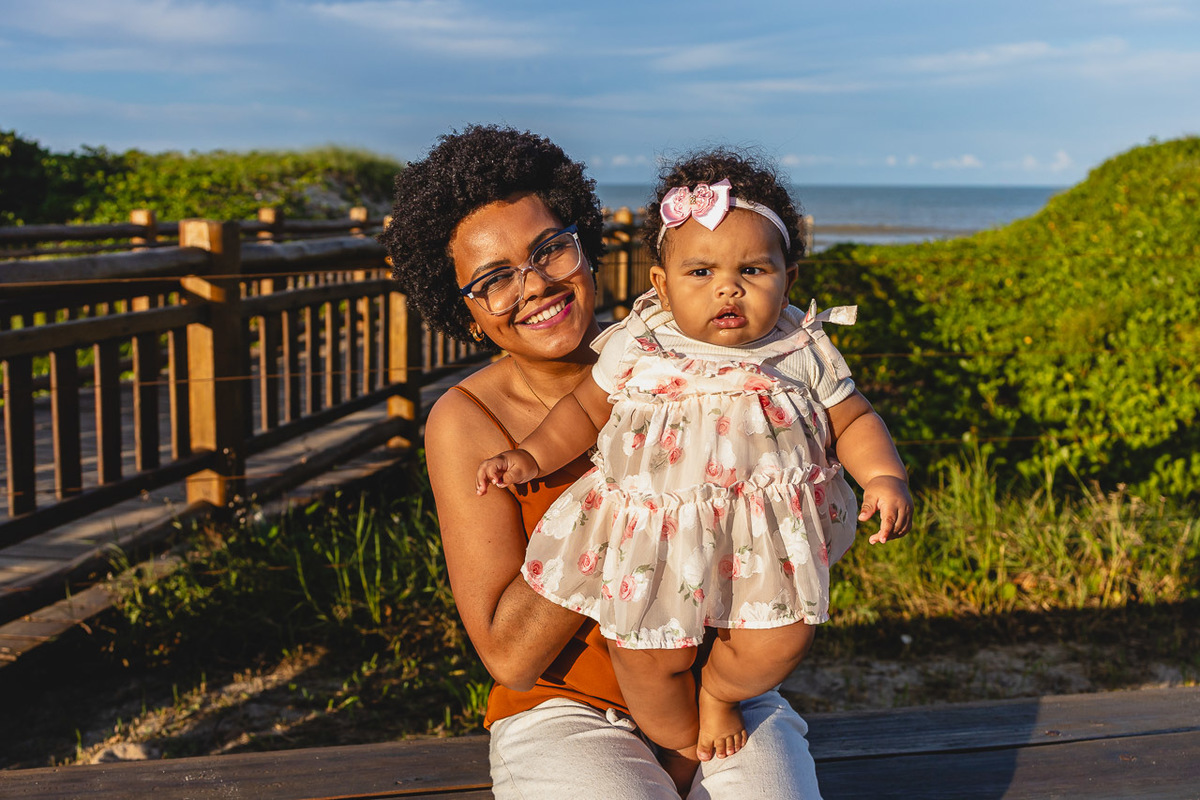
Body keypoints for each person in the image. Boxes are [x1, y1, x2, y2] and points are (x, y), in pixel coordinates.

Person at [383, 126, 826, 799]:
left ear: (585, 248)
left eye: (549, 250)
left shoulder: (674, 356)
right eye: (494, 279)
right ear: (467, 313)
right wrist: (625, 491)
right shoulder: (467, 421)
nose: (533, 285)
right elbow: (509, 655)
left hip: (716, 694)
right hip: (565, 710)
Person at [476, 148, 914, 791]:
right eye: (701, 270)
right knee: (648, 654)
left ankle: (719, 695)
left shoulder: (798, 346)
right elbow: (583, 412)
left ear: (789, 279)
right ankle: (678, 744)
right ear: (661, 284)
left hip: (758, 546)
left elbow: (852, 419)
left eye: (753, 269)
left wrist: (884, 477)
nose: (727, 287)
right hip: (654, 544)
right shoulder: (642, 340)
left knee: (784, 638)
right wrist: (530, 456)